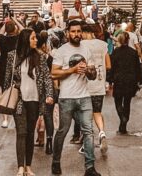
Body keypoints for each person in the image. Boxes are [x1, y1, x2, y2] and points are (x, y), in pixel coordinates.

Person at [51, 19, 101, 176]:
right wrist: (72, 70)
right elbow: (54, 73)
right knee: (62, 131)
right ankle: (56, 162)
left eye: (79, 31)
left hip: (84, 96)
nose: (76, 34)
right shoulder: (61, 51)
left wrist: (88, 71)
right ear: (68, 33)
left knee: (88, 131)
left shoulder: (86, 50)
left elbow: (93, 75)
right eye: (73, 31)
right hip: (66, 98)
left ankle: (90, 167)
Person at [4, 27, 55, 176]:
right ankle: (20, 167)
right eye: (33, 38)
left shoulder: (40, 56)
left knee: (30, 133)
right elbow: (7, 79)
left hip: (34, 100)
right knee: (21, 132)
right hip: (19, 99)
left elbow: (47, 77)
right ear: (26, 39)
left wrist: (49, 95)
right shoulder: (12, 56)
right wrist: (7, 95)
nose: (36, 40)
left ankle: (29, 166)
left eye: (36, 38)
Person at [83, 23, 111, 157]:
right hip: (99, 84)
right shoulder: (102, 45)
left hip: (85, 86)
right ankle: (102, 132)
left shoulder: (82, 45)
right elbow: (108, 64)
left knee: (86, 116)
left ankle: (86, 144)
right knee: (97, 112)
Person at [108, 31, 142, 134]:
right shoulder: (133, 52)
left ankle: (122, 118)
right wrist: (139, 80)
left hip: (119, 80)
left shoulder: (116, 52)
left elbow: (112, 67)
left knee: (118, 101)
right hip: (130, 80)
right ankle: (124, 122)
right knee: (127, 102)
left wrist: (110, 80)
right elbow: (138, 68)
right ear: (128, 40)